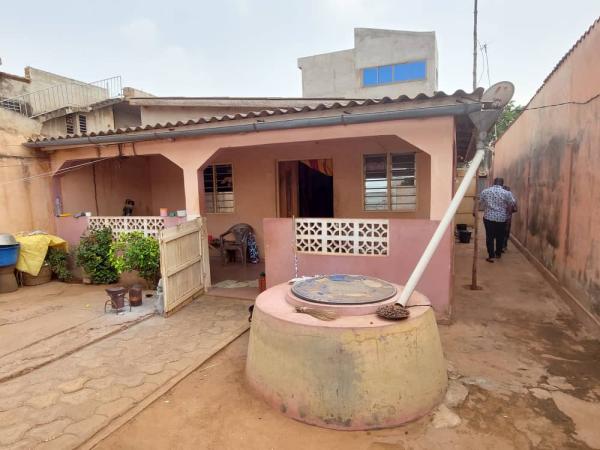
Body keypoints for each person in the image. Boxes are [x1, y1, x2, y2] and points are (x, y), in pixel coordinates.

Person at [479, 178, 516, 263]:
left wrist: (474, 211)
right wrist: (508, 217)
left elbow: (479, 202)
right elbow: (512, 204)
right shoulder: (507, 193)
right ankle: (498, 253)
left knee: (490, 237)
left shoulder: (485, 191)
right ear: (502, 184)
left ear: (494, 183)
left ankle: (491, 256)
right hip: (502, 219)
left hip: (488, 218)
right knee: (500, 236)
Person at [502, 186, 518, 252]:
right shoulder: (512, 200)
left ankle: (501, 246)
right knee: (506, 233)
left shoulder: (500, 198)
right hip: (508, 219)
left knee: (500, 232)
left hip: (500, 219)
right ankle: (504, 246)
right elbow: (515, 209)